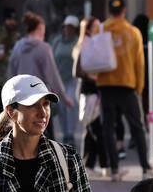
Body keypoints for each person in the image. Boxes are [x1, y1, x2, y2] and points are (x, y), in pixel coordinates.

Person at [96, 0, 149, 180]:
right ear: (125, 10)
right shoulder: (133, 32)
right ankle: (144, 168)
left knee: (108, 128)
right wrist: (140, 86)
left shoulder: (100, 29)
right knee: (137, 127)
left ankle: (115, 169)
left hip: (105, 84)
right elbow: (139, 63)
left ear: (109, 10)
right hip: (127, 85)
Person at [9, 13, 70, 129]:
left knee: (24, 128)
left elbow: (11, 71)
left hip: (21, 95)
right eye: (44, 30)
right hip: (40, 96)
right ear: (40, 28)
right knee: (44, 129)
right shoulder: (44, 48)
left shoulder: (18, 46)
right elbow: (52, 74)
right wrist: (63, 95)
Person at [72, 17, 110, 173]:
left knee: (92, 129)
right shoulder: (84, 45)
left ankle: (88, 164)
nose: (99, 29)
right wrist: (93, 77)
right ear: (88, 29)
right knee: (96, 129)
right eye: (95, 26)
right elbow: (77, 71)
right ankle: (104, 165)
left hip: (93, 91)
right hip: (89, 92)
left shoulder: (93, 44)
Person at [50, 15, 80, 146]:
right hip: (58, 80)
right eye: (66, 27)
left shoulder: (78, 42)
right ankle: (64, 134)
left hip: (73, 80)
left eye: (71, 27)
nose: (68, 29)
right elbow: (50, 60)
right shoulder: (57, 41)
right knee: (61, 107)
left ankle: (70, 133)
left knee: (71, 106)